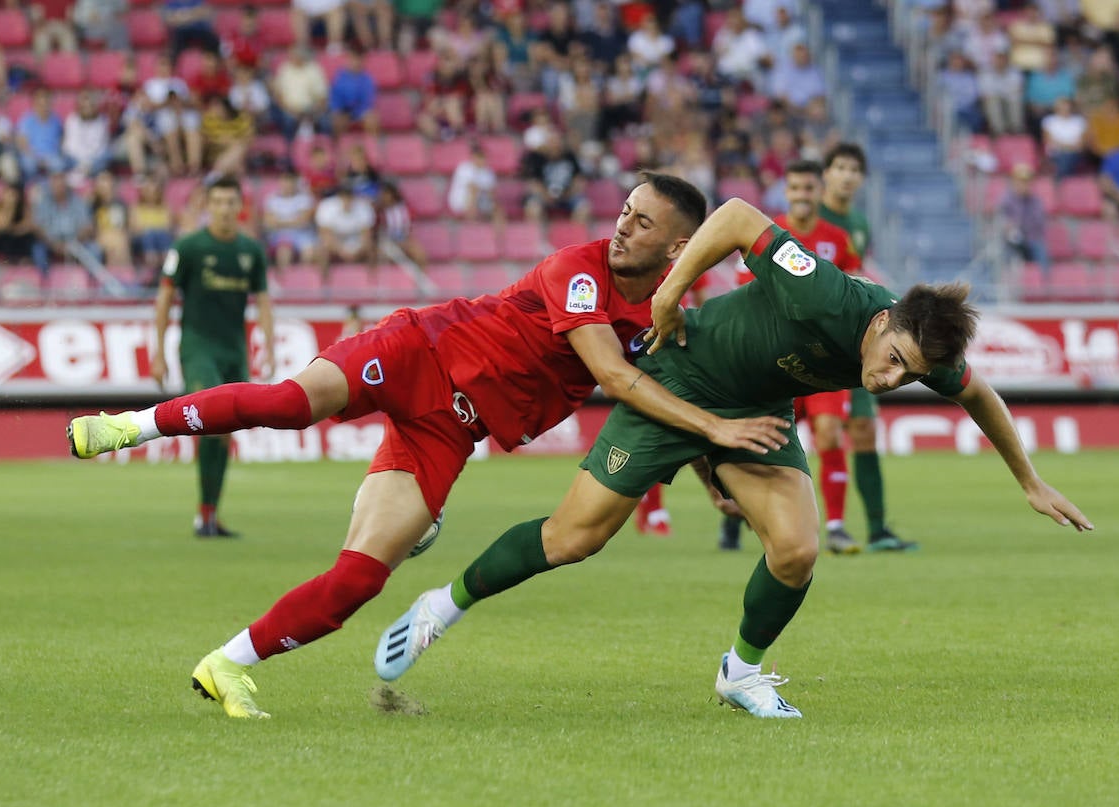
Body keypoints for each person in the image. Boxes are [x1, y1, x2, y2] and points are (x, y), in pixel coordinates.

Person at [65, 174, 789, 719]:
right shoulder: (580, 266)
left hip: (451, 427)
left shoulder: (660, 313)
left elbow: (663, 389)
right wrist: (719, 432)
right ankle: (134, 425)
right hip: (418, 351)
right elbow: (610, 374)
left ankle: (227, 664)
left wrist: (705, 472)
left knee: (360, 581)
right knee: (290, 404)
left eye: (643, 222)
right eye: (625, 212)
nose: (623, 228)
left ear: (677, 247)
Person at [373, 196, 1094, 719]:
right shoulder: (830, 293)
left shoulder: (921, 348)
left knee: (797, 550)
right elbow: (738, 216)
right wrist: (671, 295)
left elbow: (980, 395)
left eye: (907, 374)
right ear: (883, 321)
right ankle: (443, 604)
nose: (890, 378)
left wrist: (1029, 481)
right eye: (893, 360)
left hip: (756, 415)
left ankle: (741, 673)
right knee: (573, 539)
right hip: (683, 377)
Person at [722, 159, 861, 554]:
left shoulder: (837, 237)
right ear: (787, 192)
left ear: (820, 192)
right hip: (778, 360)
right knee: (759, 441)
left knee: (831, 434)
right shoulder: (766, 233)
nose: (802, 196)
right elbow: (744, 289)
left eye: (809, 189)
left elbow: (857, 283)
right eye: (796, 189)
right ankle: (735, 516)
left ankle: (835, 525)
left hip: (828, 360)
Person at [156, 176, 274, 537]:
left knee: (226, 431)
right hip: (197, 347)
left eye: (230, 202)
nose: (224, 209)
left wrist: (270, 345)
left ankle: (209, 514)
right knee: (207, 421)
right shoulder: (189, 247)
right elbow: (164, 298)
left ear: (240, 207)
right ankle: (204, 515)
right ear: (207, 206)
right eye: (218, 202)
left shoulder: (250, 252)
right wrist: (158, 353)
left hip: (234, 350)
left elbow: (263, 301)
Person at [817, 142, 917, 553]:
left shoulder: (858, 223)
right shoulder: (808, 215)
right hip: (816, 342)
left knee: (864, 430)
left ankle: (876, 529)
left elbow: (856, 276)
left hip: (859, 345)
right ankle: (735, 524)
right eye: (839, 167)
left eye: (853, 169)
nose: (846, 175)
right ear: (826, 173)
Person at [999, 163, 1050, 275]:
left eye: (1027, 181)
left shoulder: (1036, 201)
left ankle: (1044, 284)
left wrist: (1019, 227)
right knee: (1007, 251)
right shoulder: (1006, 199)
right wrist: (1010, 227)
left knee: (1041, 250)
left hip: (1032, 238)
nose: (1024, 184)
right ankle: (1007, 282)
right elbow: (1002, 220)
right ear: (1014, 181)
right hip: (1011, 240)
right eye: (1021, 181)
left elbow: (1038, 222)